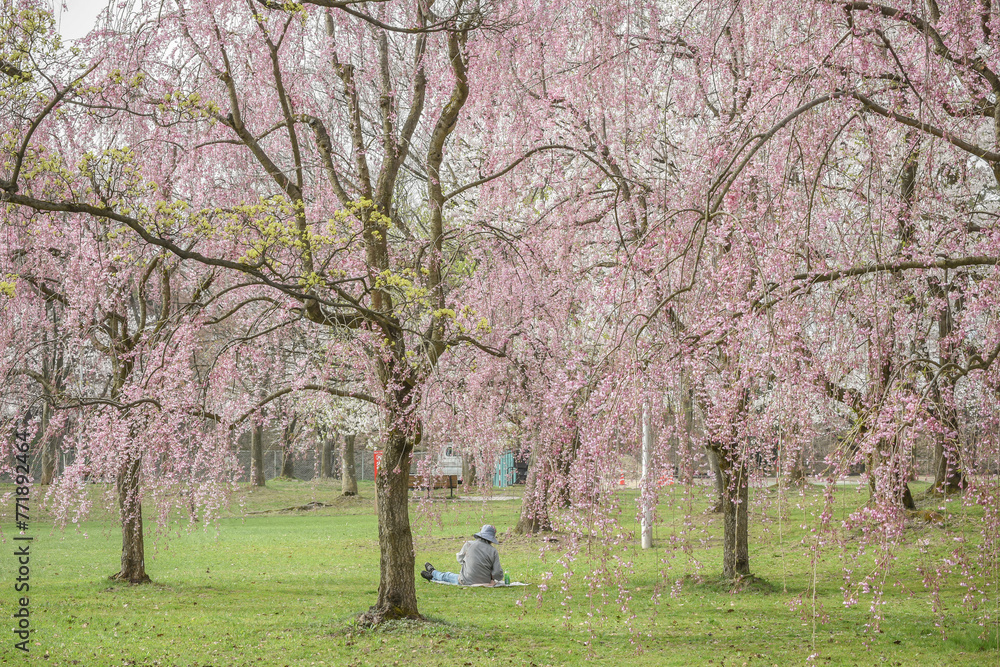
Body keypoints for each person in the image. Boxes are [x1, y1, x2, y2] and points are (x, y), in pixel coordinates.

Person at [421, 524, 504, 586]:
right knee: (451, 576)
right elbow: (497, 573)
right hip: (485, 581)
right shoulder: (493, 551)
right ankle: (432, 576)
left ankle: (433, 572)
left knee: (448, 576)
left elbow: (459, 558)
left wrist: (469, 564)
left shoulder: (468, 545)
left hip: (466, 580)